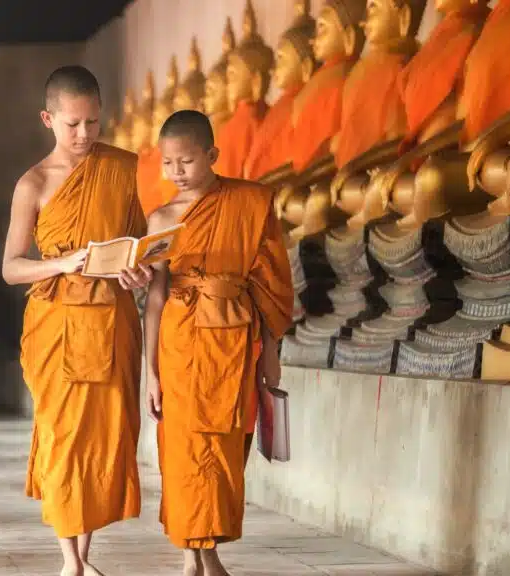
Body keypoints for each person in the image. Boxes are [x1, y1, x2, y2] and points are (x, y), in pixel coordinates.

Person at [1, 65, 153, 576]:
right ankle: (70, 561)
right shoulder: (34, 184)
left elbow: (146, 243)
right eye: (73, 124)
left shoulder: (126, 169)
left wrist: (142, 270)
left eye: (93, 122)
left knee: (101, 440)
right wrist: (62, 263)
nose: (85, 135)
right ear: (48, 119)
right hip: (59, 326)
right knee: (65, 440)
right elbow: (11, 267)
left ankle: (84, 558)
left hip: (112, 322)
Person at [143, 110, 293, 576]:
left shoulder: (250, 204)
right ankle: (195, 556)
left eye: (186, 161)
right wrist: (149, 371)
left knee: (226, 447)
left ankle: (209, 550)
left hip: (233, 341)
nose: (176, 173)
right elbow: (154, 294)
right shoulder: (161, 218)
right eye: (168, 163)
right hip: (179, 343)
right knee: (184, 449)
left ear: (211, 155)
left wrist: (270, 355)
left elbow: (270, 286)